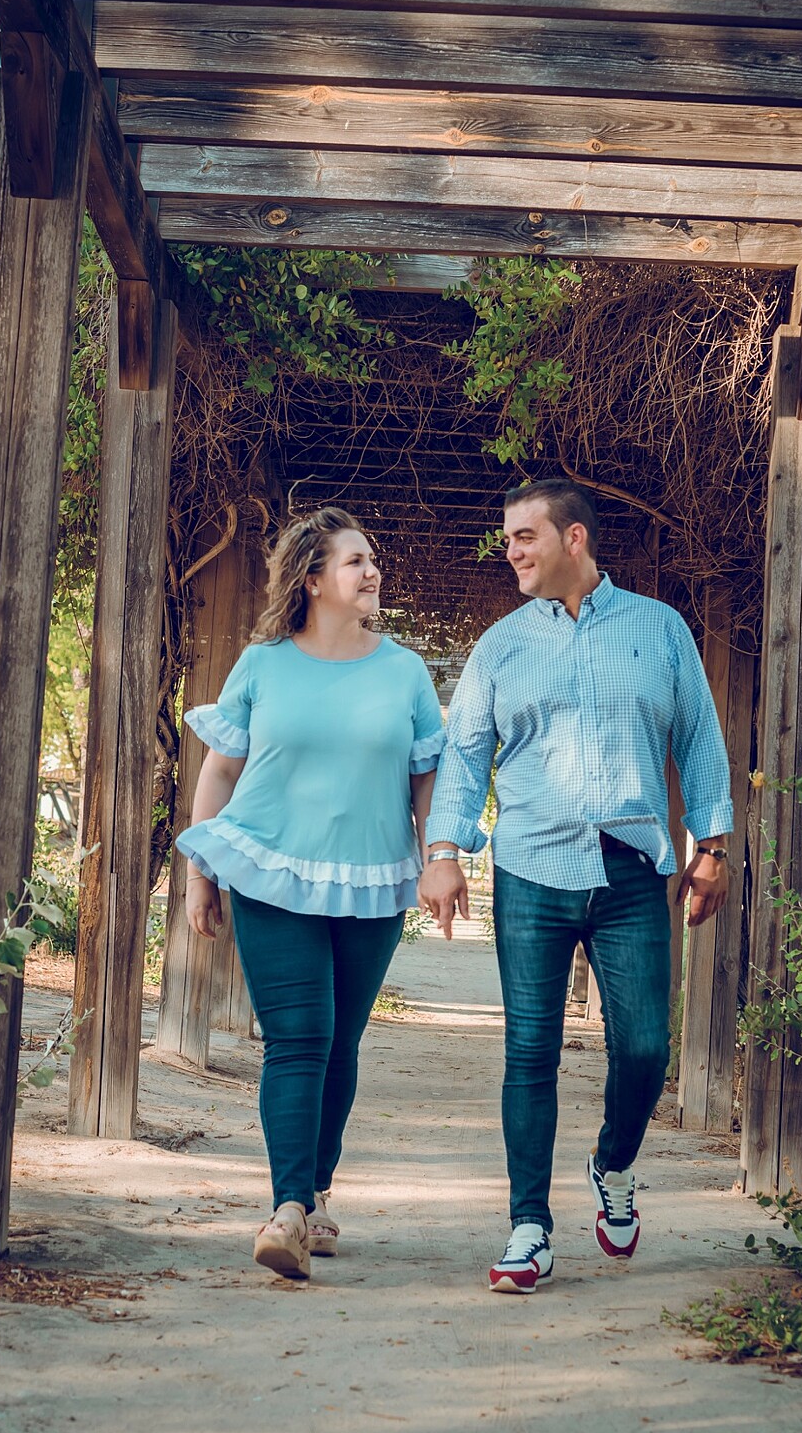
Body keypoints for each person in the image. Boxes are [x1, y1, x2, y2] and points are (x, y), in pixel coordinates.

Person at [419, 477, 732, 1295]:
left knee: (643, 1047)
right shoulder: (499, 646)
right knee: (530, 1050)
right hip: (530, 868)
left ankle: (613, 1163)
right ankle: (529, 1226)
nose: (511, 551)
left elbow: (698, 735)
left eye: (524, 535)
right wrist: (444, 848)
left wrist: (715, 845)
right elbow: (463, 755)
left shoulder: (659, 630)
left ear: (574, 539)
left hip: (631, 868)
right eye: (508, 538)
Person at [176, 507, 444, 1282]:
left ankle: (318, 1191)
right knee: (297, 1039)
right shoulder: (262, 666)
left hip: (371, 878)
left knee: (340, 1043)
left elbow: (426, 780)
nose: (372, 572)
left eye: (372, 559)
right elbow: (220, 773)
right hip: (270, 872)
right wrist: (201, 873)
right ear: (311, 578)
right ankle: (288, 1209)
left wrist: (437, 860)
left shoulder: (405, 671)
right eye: (355, 561)